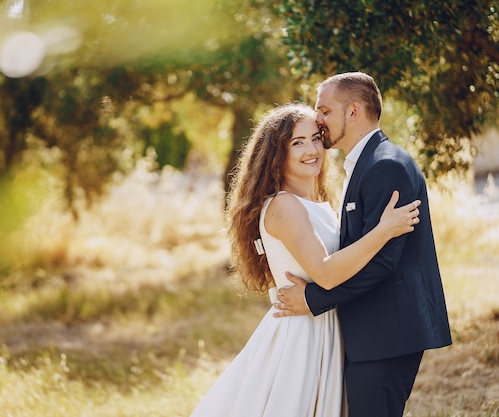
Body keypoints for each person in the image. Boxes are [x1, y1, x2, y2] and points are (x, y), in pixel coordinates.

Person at [189, 102, 421, 417]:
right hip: (301, 336)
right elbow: (325, 273)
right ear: (276, 154)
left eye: (315, 138)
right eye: (297, 143)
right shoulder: (284, 206)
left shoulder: (319, 203)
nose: (311, 149)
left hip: (328, 325)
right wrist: (384, 231)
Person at [275, 72, 452, 417]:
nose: (318, 119)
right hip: (375, 331)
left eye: (324, 110)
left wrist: (314, 298)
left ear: (353, 111)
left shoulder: (385, 166)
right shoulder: (366, 162)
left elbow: (382, 262)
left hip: (387, 332)